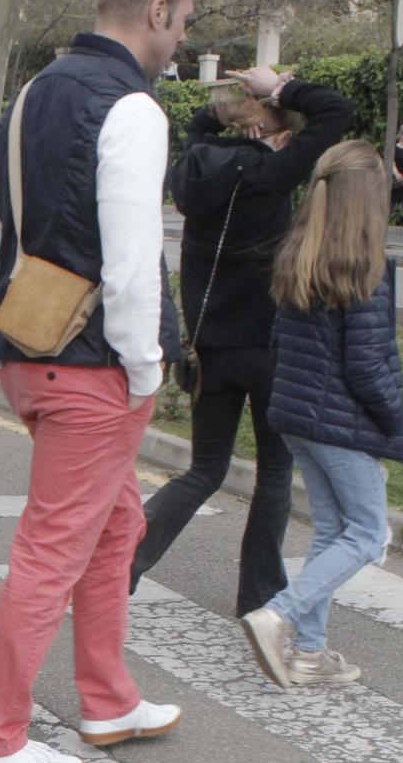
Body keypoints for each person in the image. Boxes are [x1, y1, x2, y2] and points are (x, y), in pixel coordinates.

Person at [0, 0, 192, 763]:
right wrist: (145, 367)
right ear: (156, 11)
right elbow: (132, 261)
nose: (182, 36)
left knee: (116, 524)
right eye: (183, 18)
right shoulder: (132, 108)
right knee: (52, 551)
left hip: (30, 345)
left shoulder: (30, 96)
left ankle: (108, 696)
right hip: (93, 365)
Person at [129, 66, 354, 618]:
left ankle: (124, 563)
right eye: (287, 135)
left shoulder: (191, 171)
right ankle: (259, 595)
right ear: (272, 135)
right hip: (268, 345)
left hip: (209, 347)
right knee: (274, 472)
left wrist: (241, 108)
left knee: (205, 469)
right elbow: (338, 113)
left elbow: (201, 128)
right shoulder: (269, 175)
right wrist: (276, 87)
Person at [241, 141, 403, 689]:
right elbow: (367, 363)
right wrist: (393, 422)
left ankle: (310, 656)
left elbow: (278, 339)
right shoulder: (367, 267)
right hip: (342, 422)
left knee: (331, 532)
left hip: (294, 415)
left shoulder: (298, 254)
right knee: (366, 534)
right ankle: (280, 615)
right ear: (369, 199)